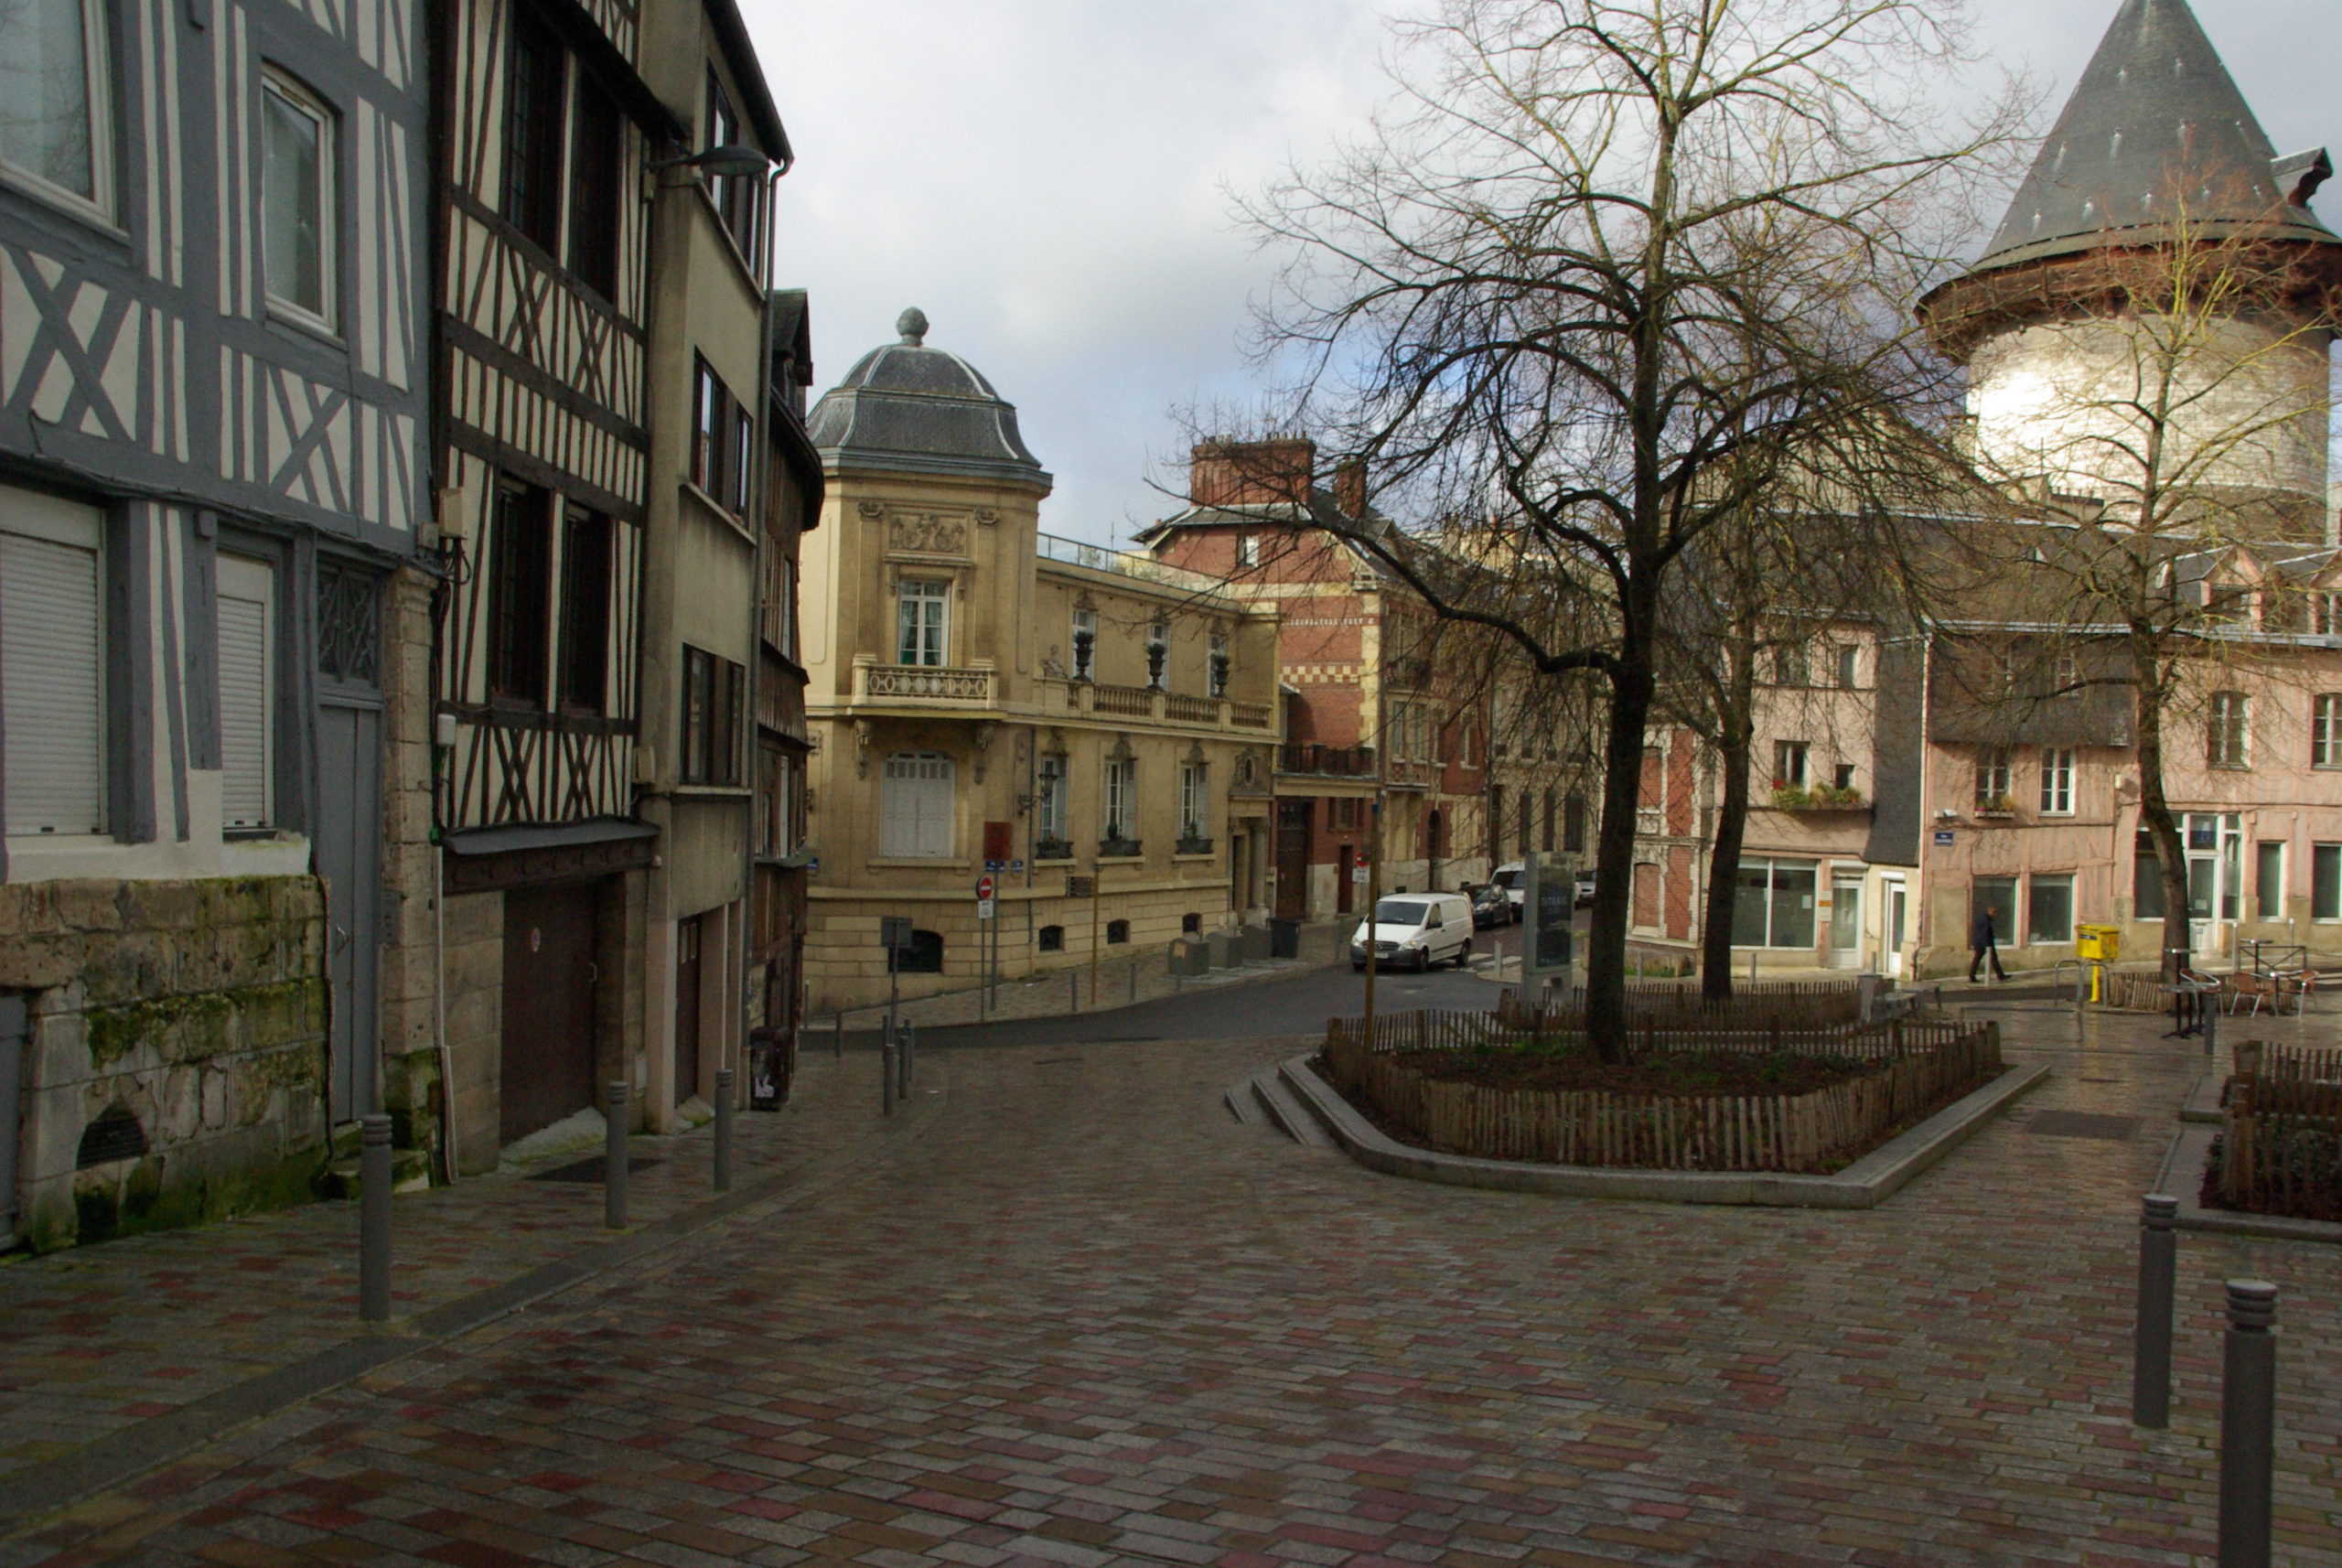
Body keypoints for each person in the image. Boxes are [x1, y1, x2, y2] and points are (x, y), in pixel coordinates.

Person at [1969, 903, 2008, 983]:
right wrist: (1987, 945)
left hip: (1979, 942)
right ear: (1990, 912)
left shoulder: (1981, 918)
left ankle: (2000, 975)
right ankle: (1972, 976)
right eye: (1994, 913)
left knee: (1987, 959)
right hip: (1984, 943)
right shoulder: (1985, 920)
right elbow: (1985, 933)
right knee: (1983, 959)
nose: (1995, 915)